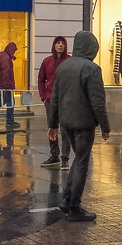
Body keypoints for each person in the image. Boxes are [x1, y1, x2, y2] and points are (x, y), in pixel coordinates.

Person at [47, 31, 110, 222]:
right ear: (92, 48)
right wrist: (105, 126)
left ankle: (67, 199)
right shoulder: (91, 69)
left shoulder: (64, 66)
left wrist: (53, 124)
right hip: (84, 123)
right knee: (82, 162)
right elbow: (97, 102)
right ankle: (74, 206)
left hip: (67, 122)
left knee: (79, 159)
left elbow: (55, 98)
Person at [37, 36, 70, 168]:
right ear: (54, 45)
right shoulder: (47, 61)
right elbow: (40, 79)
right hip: (50, 100)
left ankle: (65, 157)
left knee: (66, 129)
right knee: (52, 127)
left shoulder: (69, 61)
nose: (60, 45)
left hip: (66, 100)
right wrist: (43, 97)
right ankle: (54, 155)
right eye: (58, 43)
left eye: (62, 43)